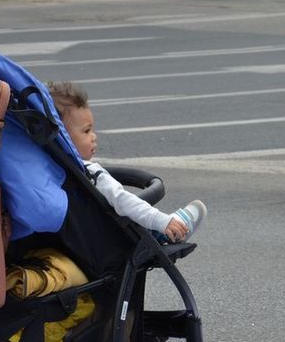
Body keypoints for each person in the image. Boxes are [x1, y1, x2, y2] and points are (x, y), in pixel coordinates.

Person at [47, 81, 206, 242]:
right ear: (62, 137)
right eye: (87, 131)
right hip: (108, 242)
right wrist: (161, 220)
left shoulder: (42, 170)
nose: (93, 136)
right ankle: (171, 231)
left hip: (67, 243)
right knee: (129, 216)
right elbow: (122, 200)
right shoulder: (88, 174)